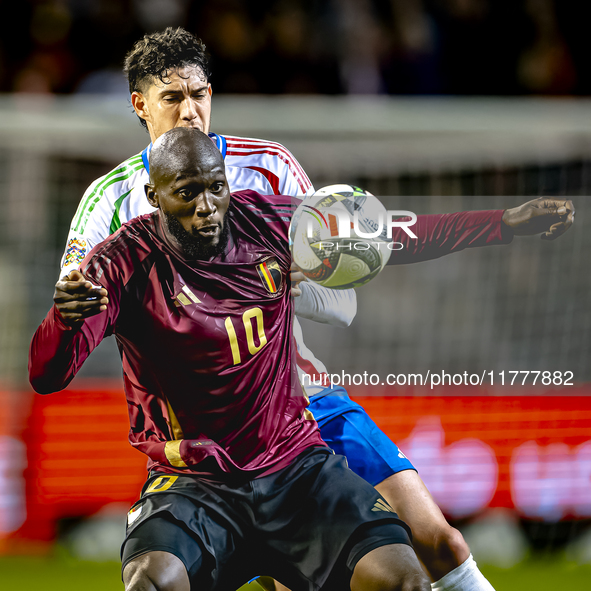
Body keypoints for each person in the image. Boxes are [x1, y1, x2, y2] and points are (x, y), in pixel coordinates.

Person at [55, 27, 576, 591]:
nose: (190, 111)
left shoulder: (271, 166)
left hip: (305, 402)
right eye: (172, 98)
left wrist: (293, 280)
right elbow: (75, 309)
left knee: (438, 540)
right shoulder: (108, 200)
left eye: (200, 94)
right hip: (209, 446)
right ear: (139, 105)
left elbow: (342, 294)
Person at [30, 128, 431, 591]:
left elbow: (388, 236)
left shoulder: (265, 219)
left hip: (293, 466)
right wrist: (63, 320)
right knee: (150, 582)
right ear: (152, 196)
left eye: (215, 187)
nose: (205, 205)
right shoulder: (120, 262)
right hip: (193, 482)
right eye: (186, 192)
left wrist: (500, 225)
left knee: (409, 580)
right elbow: (46, 375)